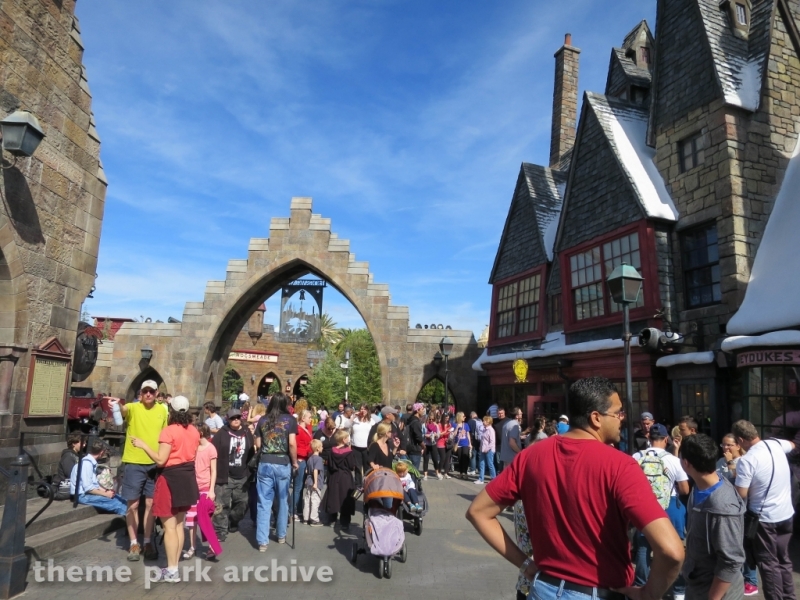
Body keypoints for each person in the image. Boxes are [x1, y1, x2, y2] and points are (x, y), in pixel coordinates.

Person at [466, 376, 684, 600]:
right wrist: (648, 593)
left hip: (543, 588)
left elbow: (478, 511)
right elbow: (672, 551)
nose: (622, 418)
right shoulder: (621, 466)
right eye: (618, 412)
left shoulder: (530, 456)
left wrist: (526, 565)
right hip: (597, 592)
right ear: (596, 418)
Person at [130, 395, 200, 584]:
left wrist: (144, 445)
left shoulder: (169, 431)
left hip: (170, 478)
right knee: (178, 525)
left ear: (172, 411)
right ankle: (173, 566)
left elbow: (161, 459)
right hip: (187, 477)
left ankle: (172, 571)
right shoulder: (194, 430)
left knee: (169, 527)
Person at [732, 419, 797, 600]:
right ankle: (789, 597)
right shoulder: (776, 444)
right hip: (786, 513)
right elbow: (792, 445)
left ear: (740, 440)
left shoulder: (747, 460)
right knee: (783, 559)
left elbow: (741, 493)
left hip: (765, 518)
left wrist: (734, 474)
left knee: (768, 563)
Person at [680, 434, 746, 600]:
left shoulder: (722, 507)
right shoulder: (699, 486)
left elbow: (731, 560)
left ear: (686, 463)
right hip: (697, 582)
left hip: (716, 591)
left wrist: (713, 597)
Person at [108, 380, 168, 561]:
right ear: (140, 393)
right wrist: (118, 404)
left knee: (151, 505)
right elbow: (123, 411)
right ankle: (134, 542)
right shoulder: (133, 407)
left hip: (154, 463)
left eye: (152, 391)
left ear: (157, 393)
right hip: (134, 462)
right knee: (132, 505)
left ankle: (148, 541)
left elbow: (166, 435)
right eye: (145, 391)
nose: (148, 394)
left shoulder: (163, 410)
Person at [632, 423, 690, 599]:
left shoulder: (635, 456)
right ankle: (678, 590)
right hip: (669, 505)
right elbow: (685, 489)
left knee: (643, 548)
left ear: (649, 439)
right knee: (675, 548)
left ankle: (641, 585)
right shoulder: (673, 460)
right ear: (666, 439)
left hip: (643, 506)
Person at [254, 393, 298, 551]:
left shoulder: (262, 420)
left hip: (265, 462)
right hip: (282, 462)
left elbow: (258, 444)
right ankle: (281, 535)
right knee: (283, 499)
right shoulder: (290, 420)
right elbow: (292, 444)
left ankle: (262, 541)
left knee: (264, 502)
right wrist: (294, 463)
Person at [211, 408, 254, 542]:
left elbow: (252, 452)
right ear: (228, 419)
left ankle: (233, 521)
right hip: (225, 475)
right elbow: (213, 452)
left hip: (242, 476)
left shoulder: (247, 432)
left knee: (242, 504)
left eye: (237, 417)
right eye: (232, 418)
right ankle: (220, 531)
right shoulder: (221, 434)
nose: (235, 420)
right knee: (222, 505)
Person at [184, 424, 219, 561]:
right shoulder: (193, 448)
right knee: (191, 519)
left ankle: (212, 546)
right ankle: (193, 546)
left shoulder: (211, 448)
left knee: (206, 519)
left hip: (205, 488)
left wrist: (211, 490)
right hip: (192, 488)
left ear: (201, 433)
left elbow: (213, 470)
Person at [69, 439, 127, 515]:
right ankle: (132, 524)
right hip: (82, 496)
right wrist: (106, 494)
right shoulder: (86, 464)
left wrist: (105, 491)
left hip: (88, 493)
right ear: (101, 452)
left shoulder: (90, 463)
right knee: (118, 505)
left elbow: (93, 484)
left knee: (123, 500)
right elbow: (88, 488)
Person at [321, 429, 358, 531]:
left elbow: (330, 465)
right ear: (343, 439)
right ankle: (345, 522)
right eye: (347, 437)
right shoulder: (349, 452)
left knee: (334, 497)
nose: (348, 439)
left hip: (334, 475)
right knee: (345, 499)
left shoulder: (332, 451)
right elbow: (351, 466)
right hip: (345, 477)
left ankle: (332, 519)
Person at [292, 409, 314, 521]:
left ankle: (299, 509)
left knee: (301, 488)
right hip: (301, 459)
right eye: (309, 417)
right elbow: (296, 447)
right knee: (297, 487)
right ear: (303, 418)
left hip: (306, 459)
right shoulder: (299, 430)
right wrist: (308, 451)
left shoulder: (306, 429)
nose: (311, 419)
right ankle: (291, 511)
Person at [303, 439, 325, 527]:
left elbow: (307, 470)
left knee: (308, 499)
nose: (323, 448)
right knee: (315, 500)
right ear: (318, 448)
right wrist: (316, 482)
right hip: (315, 482)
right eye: (321, 446)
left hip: (309, 481)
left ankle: (306, 517)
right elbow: (315, 470)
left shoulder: (310, 458)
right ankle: (314, 519)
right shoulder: (319, 459)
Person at [57, 434, 82, 498]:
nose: (84, 445)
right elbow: (69, 473)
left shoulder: (76, 455)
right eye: (82, 443)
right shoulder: (68, 456)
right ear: (74, 444)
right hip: (67, 486)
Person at [405, 403, 426, 473]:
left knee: (410, 471)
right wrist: (424, 446)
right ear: (417, 410)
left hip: (409, 448)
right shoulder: (416, 422)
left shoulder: (410, 420)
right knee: (414, 472)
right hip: (415, 449)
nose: (423, 411)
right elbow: (418, 438)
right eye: (422, 409)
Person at [475, 415, 496, 485]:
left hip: (489, 450)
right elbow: (483, 440)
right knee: (481, 464)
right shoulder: (484, 429)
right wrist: (481, 448)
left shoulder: (491, 430)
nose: (483, 422)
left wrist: (486, 449)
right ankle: (481, 479)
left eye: (484, 421)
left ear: (488, 422)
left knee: (490, 464)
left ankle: (493, 478)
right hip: (483, 449)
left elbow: (492, 442)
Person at [454, 411, 472, 479]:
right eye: (463, 416)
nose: (464, 417)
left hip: (465, 443)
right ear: (459, 417)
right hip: (458, 444)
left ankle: (465, 472)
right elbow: (454, 434)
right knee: (460, 458)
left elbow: (468, 434)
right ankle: (461, 472)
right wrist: (457, 428)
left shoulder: (466, 424)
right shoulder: (455, 424)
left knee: (465, 458)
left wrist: (470, 443)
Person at [423, 413, 441, 480]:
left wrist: (436, 435)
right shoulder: (424, 425)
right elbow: (422, 434)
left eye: (432, 419)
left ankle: (437, 473)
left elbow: (439, 434)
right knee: (426, 460)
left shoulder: (436, 425)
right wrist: (426, 435)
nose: (431, 420)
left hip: (433, 444)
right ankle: (425, 475)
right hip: (426, 444)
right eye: (430, 419)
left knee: (435, 459)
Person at [436, 412, 453, 479]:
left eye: (448, 418)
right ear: (443, 418)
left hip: (448, 443)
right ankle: (439, 472)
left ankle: (446, 472)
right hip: (441, 443)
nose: (447, 419)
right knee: (442, 458)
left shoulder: (449, 424)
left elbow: (450, 433)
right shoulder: (439, 425)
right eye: (446, 418)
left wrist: (451, 433)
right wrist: (446, 431)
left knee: (447, 459)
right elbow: (439, 434)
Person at [492, 407, 509, 473]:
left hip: (506, 444)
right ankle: (499, 473)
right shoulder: (494, 421)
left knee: (506, 461)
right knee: (498, 461)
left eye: (501, 413)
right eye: (499, 413)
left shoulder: (508, 421)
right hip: (498, 444)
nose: (500, 415)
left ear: (504, 413)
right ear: (497, 413)